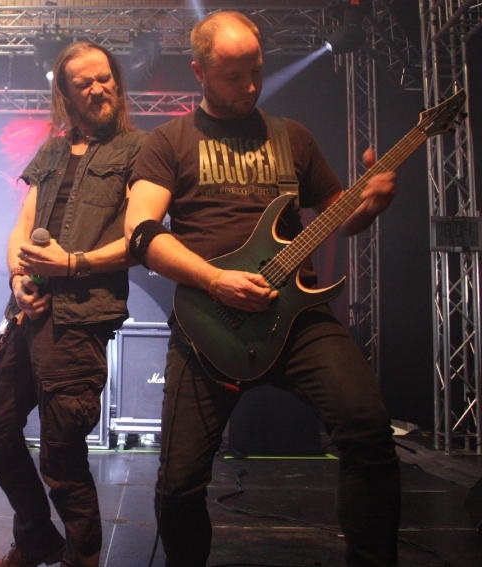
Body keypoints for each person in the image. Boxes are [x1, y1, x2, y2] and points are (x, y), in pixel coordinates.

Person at [124, 11, 400, 567]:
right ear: (199, 72)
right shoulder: (168, 142)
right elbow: (142, 233)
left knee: (369, 433)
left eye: (256, 71)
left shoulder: (292, 137)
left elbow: (340, 216)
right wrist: (214, 279)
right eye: (233, 76)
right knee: (178, 484)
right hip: (210, 323)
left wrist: (369, 206)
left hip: (297, 319)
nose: (250, 86)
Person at [0, 41, 144, 567]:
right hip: (27, 315)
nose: (98, 89)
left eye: (105, 78)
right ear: (66, 96)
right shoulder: (51, 152)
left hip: (79, 320)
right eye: (84, 83)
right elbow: (23, 225)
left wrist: (72, 265)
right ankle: (36, 538)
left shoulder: (140, 150)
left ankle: (82, 557)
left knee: (62, 455)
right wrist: (16, 277)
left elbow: (143, 241)